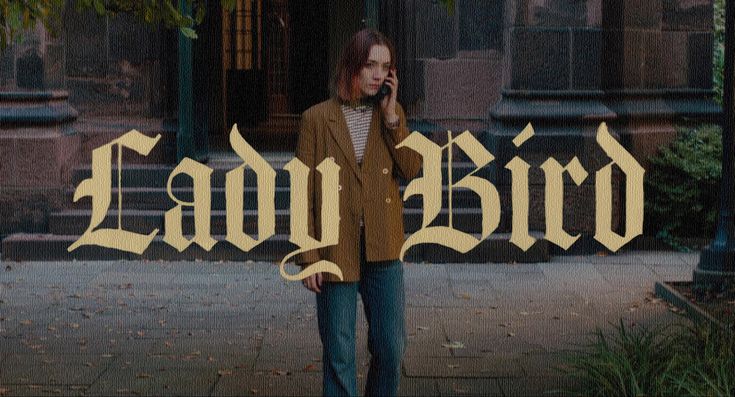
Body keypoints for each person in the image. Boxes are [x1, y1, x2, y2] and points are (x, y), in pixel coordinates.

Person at [294, 28, 422, 396]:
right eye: (370, 65)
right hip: (336, 249)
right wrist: (309, 257)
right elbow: (303, 194)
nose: (378, 75)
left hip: (384, 245)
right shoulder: (316, 119)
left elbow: (412, 168)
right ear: (353, 66)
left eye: (385, 67)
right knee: (339, 351)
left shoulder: (392, 116)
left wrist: (393, 118)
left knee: (391, 346)